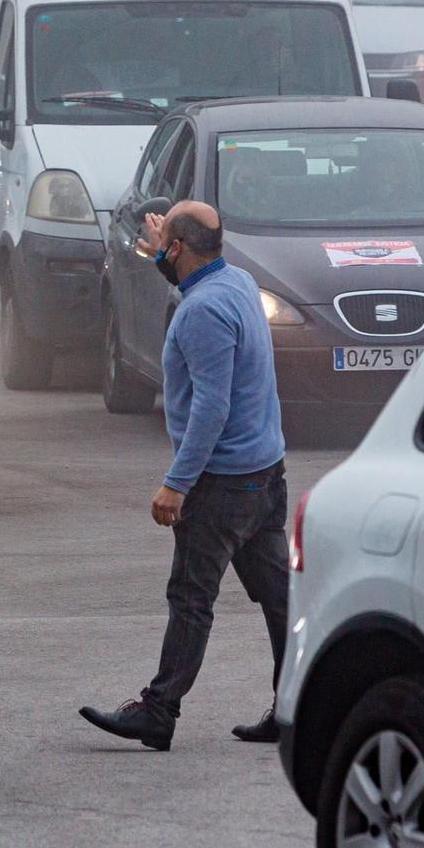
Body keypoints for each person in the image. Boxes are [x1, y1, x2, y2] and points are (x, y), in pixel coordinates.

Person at [78, 199, 289, 751]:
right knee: (279, 596)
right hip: (265, 474)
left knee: (190, 598)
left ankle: (158, 710)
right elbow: (188, 279)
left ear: (179, 250)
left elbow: (210, 409)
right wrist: (158, 252)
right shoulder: (239, 283)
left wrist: (177, 482)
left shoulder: (201, 314)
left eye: (165, 242)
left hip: (223, 484)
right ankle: (296, 707)